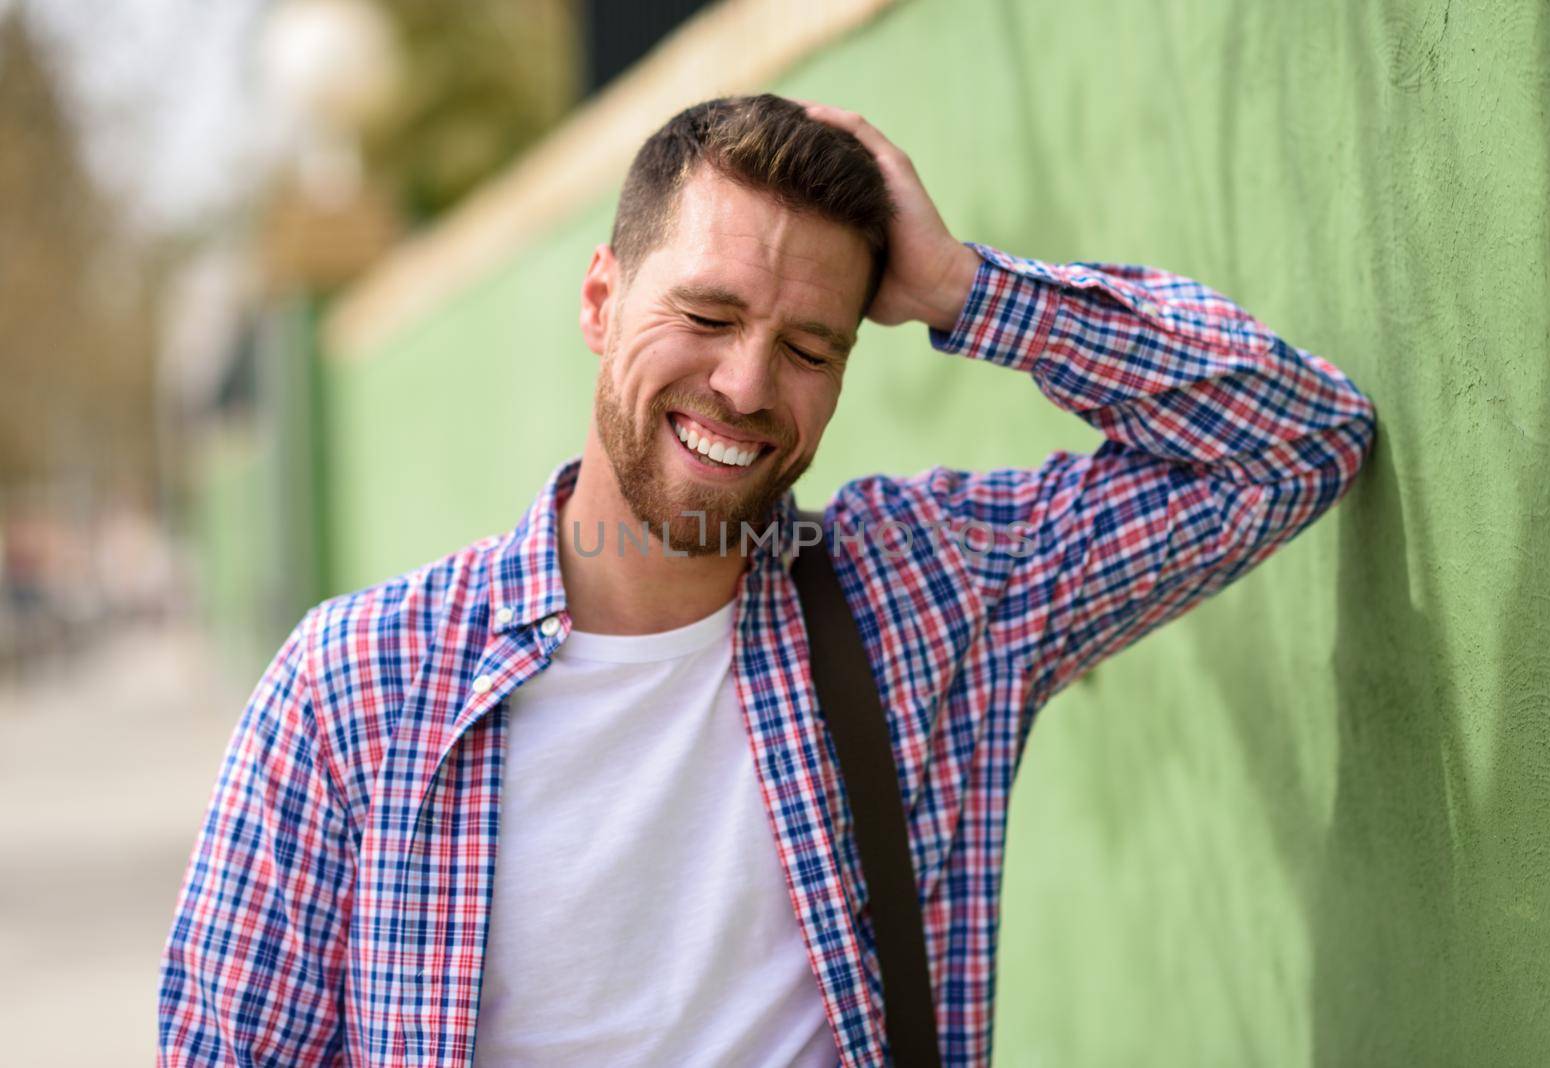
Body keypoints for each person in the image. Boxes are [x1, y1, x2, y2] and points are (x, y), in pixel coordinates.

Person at [157, 94, 1376, 1067]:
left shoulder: (930, 599)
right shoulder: (358, 688)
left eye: (806, 347)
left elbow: (1294, 439)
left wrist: (965, 290)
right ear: (600, 298)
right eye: (707, 312)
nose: (745, 386)